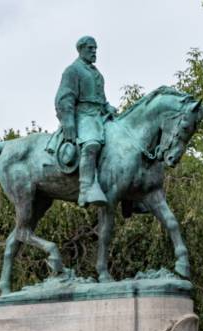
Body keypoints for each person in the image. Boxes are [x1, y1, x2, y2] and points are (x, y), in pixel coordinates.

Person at [55, 36, 117, 207]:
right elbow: (64, 98)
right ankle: (86, 188)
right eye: (90, 48)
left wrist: (108, 107)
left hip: (99, 115)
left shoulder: (97, 74)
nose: (94, 51)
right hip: (83, 116)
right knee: (91, 144)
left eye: (95, 48)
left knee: (123, 143)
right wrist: (68, 122)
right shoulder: (73, 70)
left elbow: (102, 99)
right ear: (80, 49)